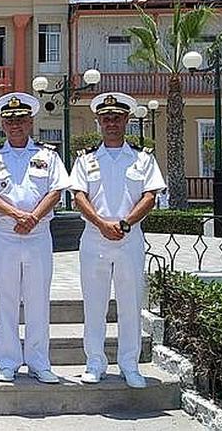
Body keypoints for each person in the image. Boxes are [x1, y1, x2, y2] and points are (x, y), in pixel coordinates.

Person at [0, 93, 70, 384]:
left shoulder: (48, 155)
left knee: (38, 299)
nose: (16, 125)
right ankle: (7, 361)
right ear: (3, 124)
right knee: (6, 299)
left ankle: (39, 362)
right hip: (5, 235)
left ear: (30, 123)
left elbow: (56, 191)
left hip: (38, 235)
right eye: (10, 121)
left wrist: (33, 217)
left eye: (21, 120)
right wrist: (16, 215)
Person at [70, 92, 166, 389]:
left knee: (130, 303)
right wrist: (101, 223)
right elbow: (78, 196)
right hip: (94, 238)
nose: (111, 123)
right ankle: (94, 362)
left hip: (129, 238)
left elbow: (150, 196)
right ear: (99, 122)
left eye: (117, 118)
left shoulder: (143, 158)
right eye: (106, 118)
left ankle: (129, 364)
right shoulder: (86, 159)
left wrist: (124, 224)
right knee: (94, 304)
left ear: (126, 120)